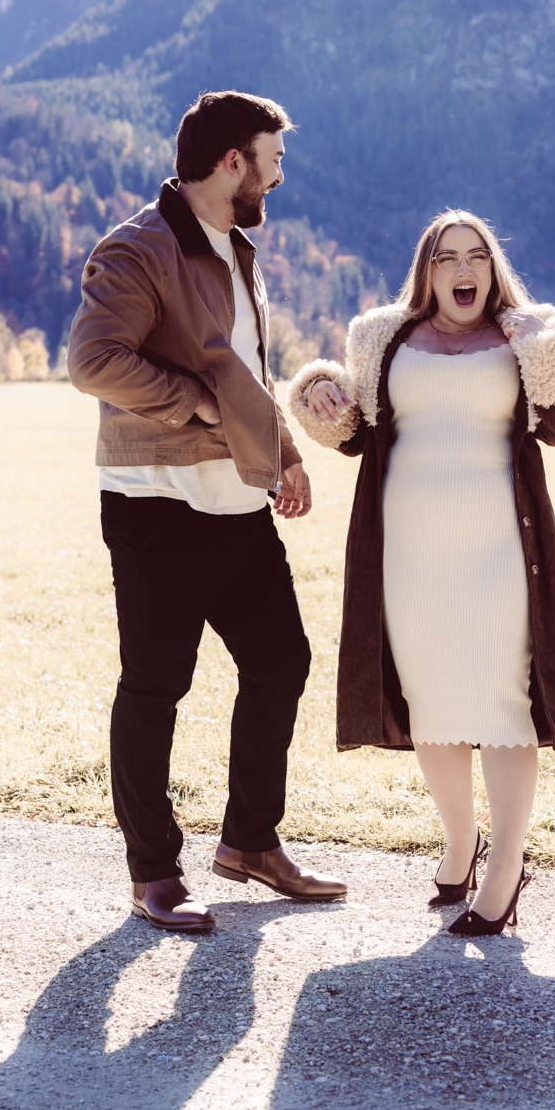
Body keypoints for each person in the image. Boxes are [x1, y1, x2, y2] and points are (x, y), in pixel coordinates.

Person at [67, 89, 347, 934]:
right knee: (156, 686)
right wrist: (192, 405)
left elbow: (246, 375)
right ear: (234, 161)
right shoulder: (138, 248)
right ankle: (153, 872)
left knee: (282, 661)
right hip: (159, 506)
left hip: (236, 504)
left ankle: (250, 844)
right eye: (274, 157)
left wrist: (285, 458)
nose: (279, 174)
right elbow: (94, 362)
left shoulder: (235, 249)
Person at [288, 210, 555, 936]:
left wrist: (550, 348)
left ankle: (505, 866)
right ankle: (462, 838)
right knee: (431, 705)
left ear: (494, 269)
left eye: (478, 257)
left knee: (502, 706)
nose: (464, 270)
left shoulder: (529, 331)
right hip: (409, 552)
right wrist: (320, 394)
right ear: (426, 271)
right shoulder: (381, 335)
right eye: (448, 258)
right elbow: (354, 431)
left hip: (498, 551)